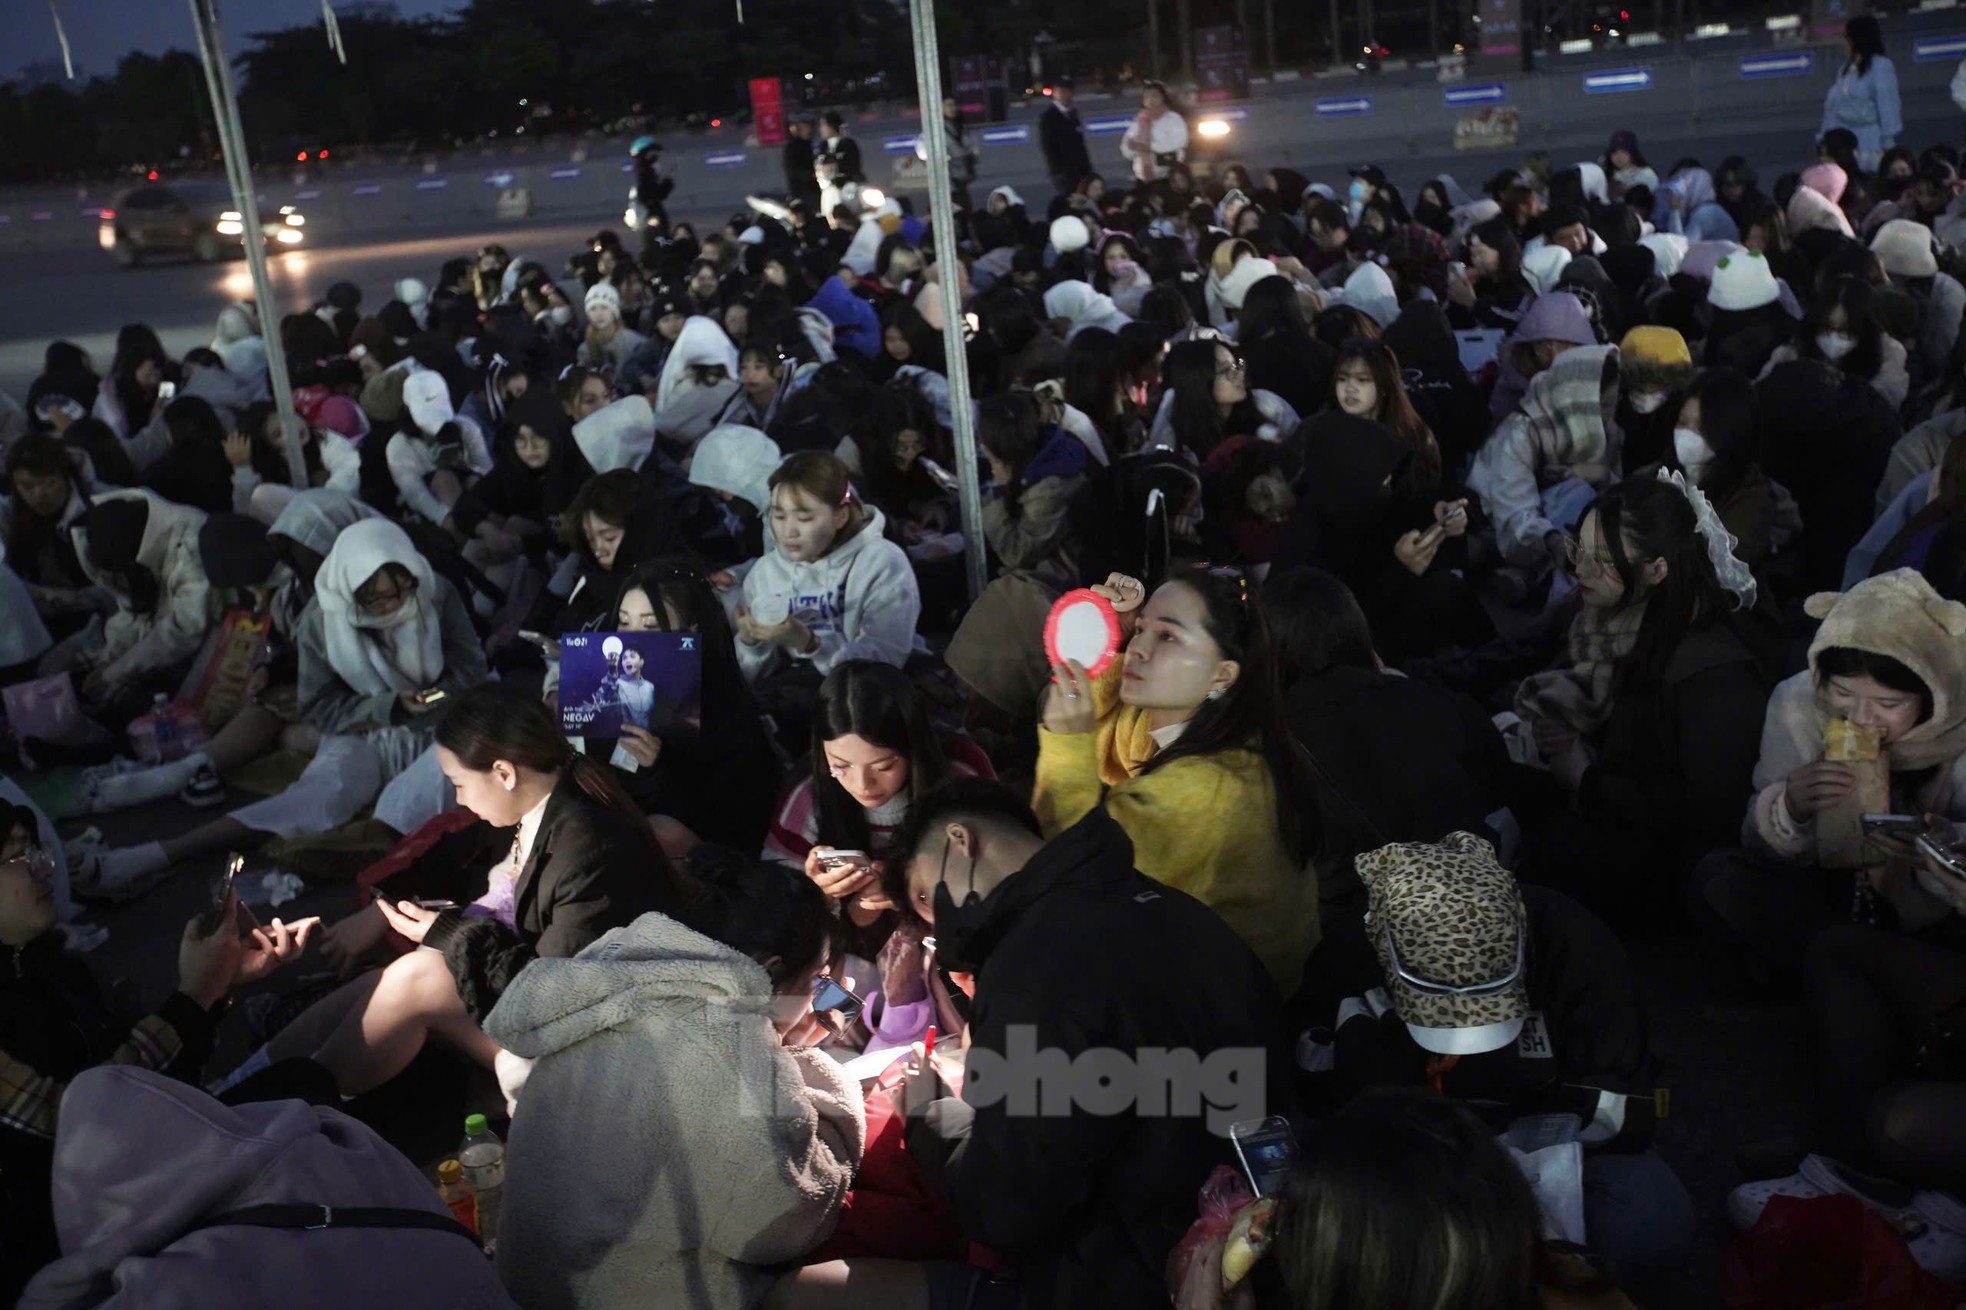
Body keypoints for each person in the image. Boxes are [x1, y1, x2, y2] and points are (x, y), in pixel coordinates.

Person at [777, 779, 1290, 1310]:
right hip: (1246, 1235)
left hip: (1133, 1274)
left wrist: (928, 1108)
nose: (942, 922)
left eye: (929, 896)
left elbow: (1003, 1206)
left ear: (960, 840)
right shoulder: (1173, 908)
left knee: (802, 1294)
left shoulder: (1037, 966)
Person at [1298, 834, 1693, 1288]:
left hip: (1543, 1145)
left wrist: (1500, 1154)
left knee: (1653, 1224)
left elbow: (1629, 1110)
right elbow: (1315, 1096)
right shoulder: (1347, 956)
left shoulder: (1577, 943)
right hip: (1402, 1156)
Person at [252, 683, 679, 1099]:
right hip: (547, 1013)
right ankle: (249, 1081)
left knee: (421, 975)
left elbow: (555, 997)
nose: (457, 799)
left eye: (458, 783)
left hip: (601, 1047)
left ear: (503, 773)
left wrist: (450, 935)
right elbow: (439, 864)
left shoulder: (587, 847)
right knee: (401, 974)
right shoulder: (529, 810)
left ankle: (283, 1109)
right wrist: (381, 910)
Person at [488, 845, 859, 1310]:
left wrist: (774, 1047)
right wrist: (826, 1088)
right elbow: (779, 1227)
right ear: (770, 972)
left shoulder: (613, 971)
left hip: (529, 1275)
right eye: (818, 978)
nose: (819, 995)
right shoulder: (724, 1040)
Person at [0, 805, 315, 1301]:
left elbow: (155, 1092)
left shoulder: (52, 969)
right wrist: (193, 997)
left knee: (303, 1085)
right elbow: (83, 1121)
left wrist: (212, 990)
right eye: (19, 857)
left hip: (139, 1178)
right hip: (75, 1235)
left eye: (37, 849)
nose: (44, 866)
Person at [1034, 567, 1321, 993]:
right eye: (1142, 629)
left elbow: (1075, 871)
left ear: (1222, 675)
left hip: (1224, 1018)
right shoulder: (1234, 737)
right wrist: (1109, 643)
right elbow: (1108, 748)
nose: (1139, 649)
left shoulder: (1208, 788)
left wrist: (1064, 745)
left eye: (1167, 637)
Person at [1511, 475, 1770, 929]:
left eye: (1604, 561)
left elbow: (1707, 812)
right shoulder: (1613, 615)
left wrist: (1586, 778)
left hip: (1670, 868)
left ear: (1658, 569)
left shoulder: (1713, 672)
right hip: (1616, 813)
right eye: (1580, 552)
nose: (1582, 571)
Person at [1691, 569, 1966, 976]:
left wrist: (1946, 845)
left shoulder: (1957, 728)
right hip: (1823, 896)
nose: (1862, 718)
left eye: (1888, 704)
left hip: (1927, 914)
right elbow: (1758, 844)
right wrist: (1790, 808)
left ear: (1931, 695)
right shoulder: (1798, 703)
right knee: (1721, 877)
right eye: (1843, 693)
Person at [1264, 568, 1511, 920]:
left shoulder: (1265, 745)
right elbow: (1499, 788)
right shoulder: (1439, 703)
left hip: (1346, 936)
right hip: (1464, 919)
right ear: (1356, 629)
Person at [736, 451, 922, 683]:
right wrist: (751, 643)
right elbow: (749, 676)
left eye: (804, 519)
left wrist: (811, 644)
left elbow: (885, 660)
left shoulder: (882, 562)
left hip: (863, 701)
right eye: (779, 516)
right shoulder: (765, 572)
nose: (788, 531)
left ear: (840, 516)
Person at [1147, 338, 1301, 460]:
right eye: (1225, 370)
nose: (1238, 375)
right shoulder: (1176, 428)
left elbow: (1301, 447)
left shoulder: (1266, 405)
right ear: (1197, 382)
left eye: (1237, 366)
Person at [1823, 14, 1901, 174]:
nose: (1842, 43)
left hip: (1872, 144)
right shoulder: (1844, 70)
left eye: (1845, 37)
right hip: (1846, 148)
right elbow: (1833, 109)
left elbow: (1888, 108)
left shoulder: (1881, 67)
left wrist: (1889, 149)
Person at [1120, 80, 1187, 186]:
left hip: (1169, 177)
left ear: (1163, 97)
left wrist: (1148, 146)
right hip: (1143, 179)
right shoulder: (1138, 121)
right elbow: (1126, 148)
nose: (1150, 100)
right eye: (1146, 97)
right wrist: (1132, 146)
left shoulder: (1173, 119)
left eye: (1154, 96)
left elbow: (1178, 142)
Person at [1039, 77, 1092, 198]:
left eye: (1068, 91)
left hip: (1080, 170)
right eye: (1061, 91)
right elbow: (1048, 146)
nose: (1066, 95)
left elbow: (1080, 143)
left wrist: (1087, 170)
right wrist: (1058, 171)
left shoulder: (1073, 115)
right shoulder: (1048, 117)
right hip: (1063, 172)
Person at [783, 117, 822, 215]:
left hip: (814, 188)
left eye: (809, 127)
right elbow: (793, 170)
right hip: (803, 192)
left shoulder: (809, 145)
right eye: (805, 127)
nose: (809, 130)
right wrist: (812, 175)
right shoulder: (792, 147)